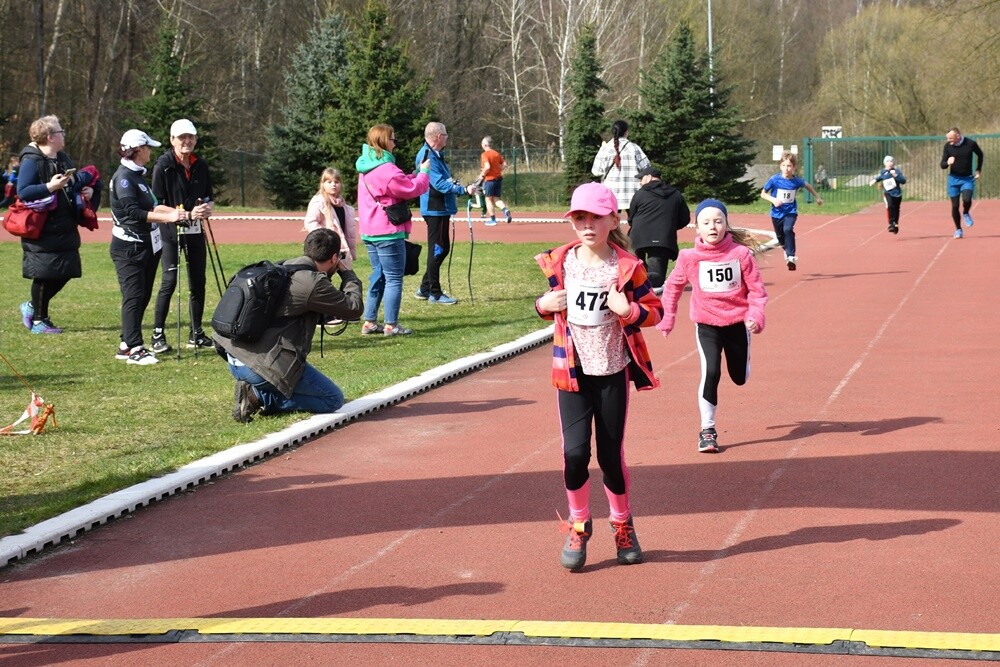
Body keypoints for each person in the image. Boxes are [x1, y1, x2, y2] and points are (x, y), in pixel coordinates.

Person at [534, 182, 663, 572]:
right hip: (572, 374)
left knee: (610, 457)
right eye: (580, 218)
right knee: (574, 454)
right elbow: (548, 305)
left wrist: (629, 311)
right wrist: (542, 305)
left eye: (596, 218)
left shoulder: (627, 266)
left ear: (613, 220)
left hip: (611, 372)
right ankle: (579, 524)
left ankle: (622, 524)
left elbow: (655, 311)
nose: (587, 225)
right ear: (572, 222)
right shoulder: (561, 261)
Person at [214, 228, 364, 423]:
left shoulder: (282, 266)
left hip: (234, 358)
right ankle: (257, 396)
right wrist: (348, 274)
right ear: (335, 257)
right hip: (259, 369)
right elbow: (353, 308)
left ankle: (255, 389)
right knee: (332, 399)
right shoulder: (312, 282)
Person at [657, 199, 768, 454]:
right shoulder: (688, 258)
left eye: (718, 221)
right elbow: (672, 288)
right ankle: (707, 430)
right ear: (697, 228)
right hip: (707, 325)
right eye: (706, 222)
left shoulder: (740, 255)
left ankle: (744, 359)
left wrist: (756, 315)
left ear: (726, 225)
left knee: (739, 378)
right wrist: (668, 317)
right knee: (711, 371)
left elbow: (757, 291)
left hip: (737, 323)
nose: (713, 226)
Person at [110, 129, 201, 365]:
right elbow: (133, 212)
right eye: (148, 147)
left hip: (145, 246)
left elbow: (153, 206)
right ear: (138, 150)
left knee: (142, 295)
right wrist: (168, 218)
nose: (150, 151)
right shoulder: (124, 178)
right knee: (133, 296)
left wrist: (181, 213)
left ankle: (126, 344)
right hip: (129, 247)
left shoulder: (137, 176)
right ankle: (135, 348)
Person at [16, 115, 102, 334]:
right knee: (45, 273)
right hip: (42, 229)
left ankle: (32, 308)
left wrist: (86, 191)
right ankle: (39, 321)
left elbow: (70, 187)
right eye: (60, 131)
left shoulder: (63, 158)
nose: (64, 134)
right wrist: (49, 186)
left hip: (65, 226)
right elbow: (23, 191)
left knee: (66, 270)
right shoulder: (31, 161)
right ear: (50, 137)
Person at [356, 124, 430, 336]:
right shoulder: (387, 169)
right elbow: (411, 189)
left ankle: (369, 321)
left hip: (370, 231)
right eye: (393, 139)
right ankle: (391, 324)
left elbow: (397, 185)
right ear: (384, 141)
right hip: (387, 231)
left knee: (378, 275)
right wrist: (424, 173)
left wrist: (414, 174)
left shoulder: (366, 165)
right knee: (394, 278)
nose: (395, 143)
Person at [149, 119, 216, 354]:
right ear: (172, 140)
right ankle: (158, 333)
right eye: (181, 137)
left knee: (198, 281)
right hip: (169, 229)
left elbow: (209, 197)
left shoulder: (201, 165)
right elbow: (156, 205)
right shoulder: (163, 166)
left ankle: (196, 332)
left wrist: (206, 208)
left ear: (195, 139)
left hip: (195, 229)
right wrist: (184, 214)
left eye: (191, 137)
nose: (186, 141)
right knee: (169, 281)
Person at [415, 121, 477, 305]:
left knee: (441, 249)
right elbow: (439, 184)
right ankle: (434, 293)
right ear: (438, 136)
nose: (447, 137)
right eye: (446, 134)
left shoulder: (436, 154)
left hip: (440, 209)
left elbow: (444, 180)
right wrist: (463, 190)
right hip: (435, 209)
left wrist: (456, 185)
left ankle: (424, 288)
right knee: (438, 250)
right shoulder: (427, 155)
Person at [626, 166, 690, 295]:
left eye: (641, 179)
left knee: (636, 270)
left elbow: (631, 217)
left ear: (649, 177)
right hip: (663, 239)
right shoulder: (676, 194)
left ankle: (637, 285)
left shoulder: (640, 194)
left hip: (638, 237)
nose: (640, 182)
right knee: (656, 278)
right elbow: (685, 218)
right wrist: (669, 227)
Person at [760, 151, 823, 271]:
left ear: (794, 167)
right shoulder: (774, 180)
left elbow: (807, 185)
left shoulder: (796, 181)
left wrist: (817, 197)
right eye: (784, 165)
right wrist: (773, 199)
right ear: (780, 166)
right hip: (776, 214)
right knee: (780, 237)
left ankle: (791, 257)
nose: (786, 168)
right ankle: (786, 249)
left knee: (788, 229)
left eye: (789, 166)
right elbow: (763, 194)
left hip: (790, 212)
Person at [590, 119, 650, 216]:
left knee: (611, 223)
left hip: (611, 195)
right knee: (635, 222)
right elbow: (646, 168)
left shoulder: (605, 148)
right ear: (626, 132)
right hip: (633, 194)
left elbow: (596, 171)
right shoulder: (634, 148)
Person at [303, 167, 357, 270]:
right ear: (323, 184)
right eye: (329, 182)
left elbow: (348, 232)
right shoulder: (318, 202)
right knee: (323, 276)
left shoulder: (344, 206)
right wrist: (325, 237)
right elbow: (310, 222)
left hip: (341, 248)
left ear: (341, 184)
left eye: (336, 182)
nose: (333, 185)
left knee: (349, 275)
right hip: (324, 248)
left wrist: (351, 250)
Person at [940, 127, 983, 239]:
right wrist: (947, 162)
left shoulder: (970, 144)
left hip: (967, 179)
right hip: (953, 179)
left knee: (967, 199)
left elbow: (980, 154)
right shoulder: (948, 146)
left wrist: (978, 170)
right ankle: (958, 229)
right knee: (955, 206)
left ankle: (966, 213)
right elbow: (942, 165)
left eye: (951, 138)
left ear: (958, 136)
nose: (949, 140)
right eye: (948, 138)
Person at [478, 136, 511, 226]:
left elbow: (487, 167)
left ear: (485, 144)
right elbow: (504, 164)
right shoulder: (496, 153)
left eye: (482, 143)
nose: (481, 145)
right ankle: (505, 210)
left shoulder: (485, 154)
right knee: (496, 198)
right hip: (498, 179)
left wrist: (482, 175)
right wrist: (497, 170)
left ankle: (493, 220)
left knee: (488, 199)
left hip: (490, 180)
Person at [870, 155, 906, 235]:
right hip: (888, 193)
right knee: (890, 206)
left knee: (896, 209)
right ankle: (891, 223)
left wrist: (895, 176)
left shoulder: (897, 171)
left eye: (891, 161)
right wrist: (874, 180)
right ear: (885, 163)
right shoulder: (883, 172)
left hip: (897, 193)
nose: (890, 163)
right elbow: (880, 177)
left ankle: (895, 224)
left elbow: (903, 181)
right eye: (888, 161)